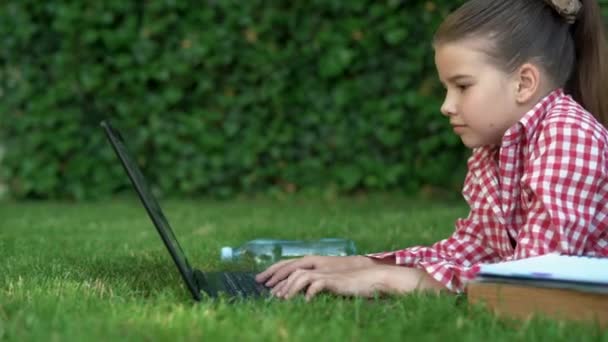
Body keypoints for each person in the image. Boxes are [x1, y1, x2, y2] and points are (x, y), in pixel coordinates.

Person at [255, 0, 608, 301]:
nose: (446, 106)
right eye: (446, 88)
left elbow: (537, 280)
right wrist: (365, 265)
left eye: (462, 86)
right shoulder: (496, 150)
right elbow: (472, 250)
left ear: (524, 82)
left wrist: (402, 282)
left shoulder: (569, 136)